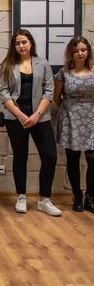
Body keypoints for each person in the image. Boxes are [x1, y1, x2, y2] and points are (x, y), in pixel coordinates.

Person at [0, 29, 61, 216]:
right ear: (13, 45)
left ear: (31, 43)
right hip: (15, 117)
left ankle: (44, 199)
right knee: (20, 157)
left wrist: (36, 115)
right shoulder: (8, 64)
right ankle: (21, 196)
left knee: (50, 156)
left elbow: (49, 91)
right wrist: (20, 115)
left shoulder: (43, 63)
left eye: (24, 42)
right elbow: (4, 93)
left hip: (40, 117)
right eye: (17, 43)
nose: (21, 46)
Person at [53, 36, 94, 213]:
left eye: (83, 50)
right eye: (76, 50)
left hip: (92, 117)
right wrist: (68, 111)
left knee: (92, 159)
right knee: (73, 159)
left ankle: (90, 197)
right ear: (71, 53)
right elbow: (56, 97)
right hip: (70, 117)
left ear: (88, 51)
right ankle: (77, 195)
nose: (80, 53)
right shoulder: (63, 72)